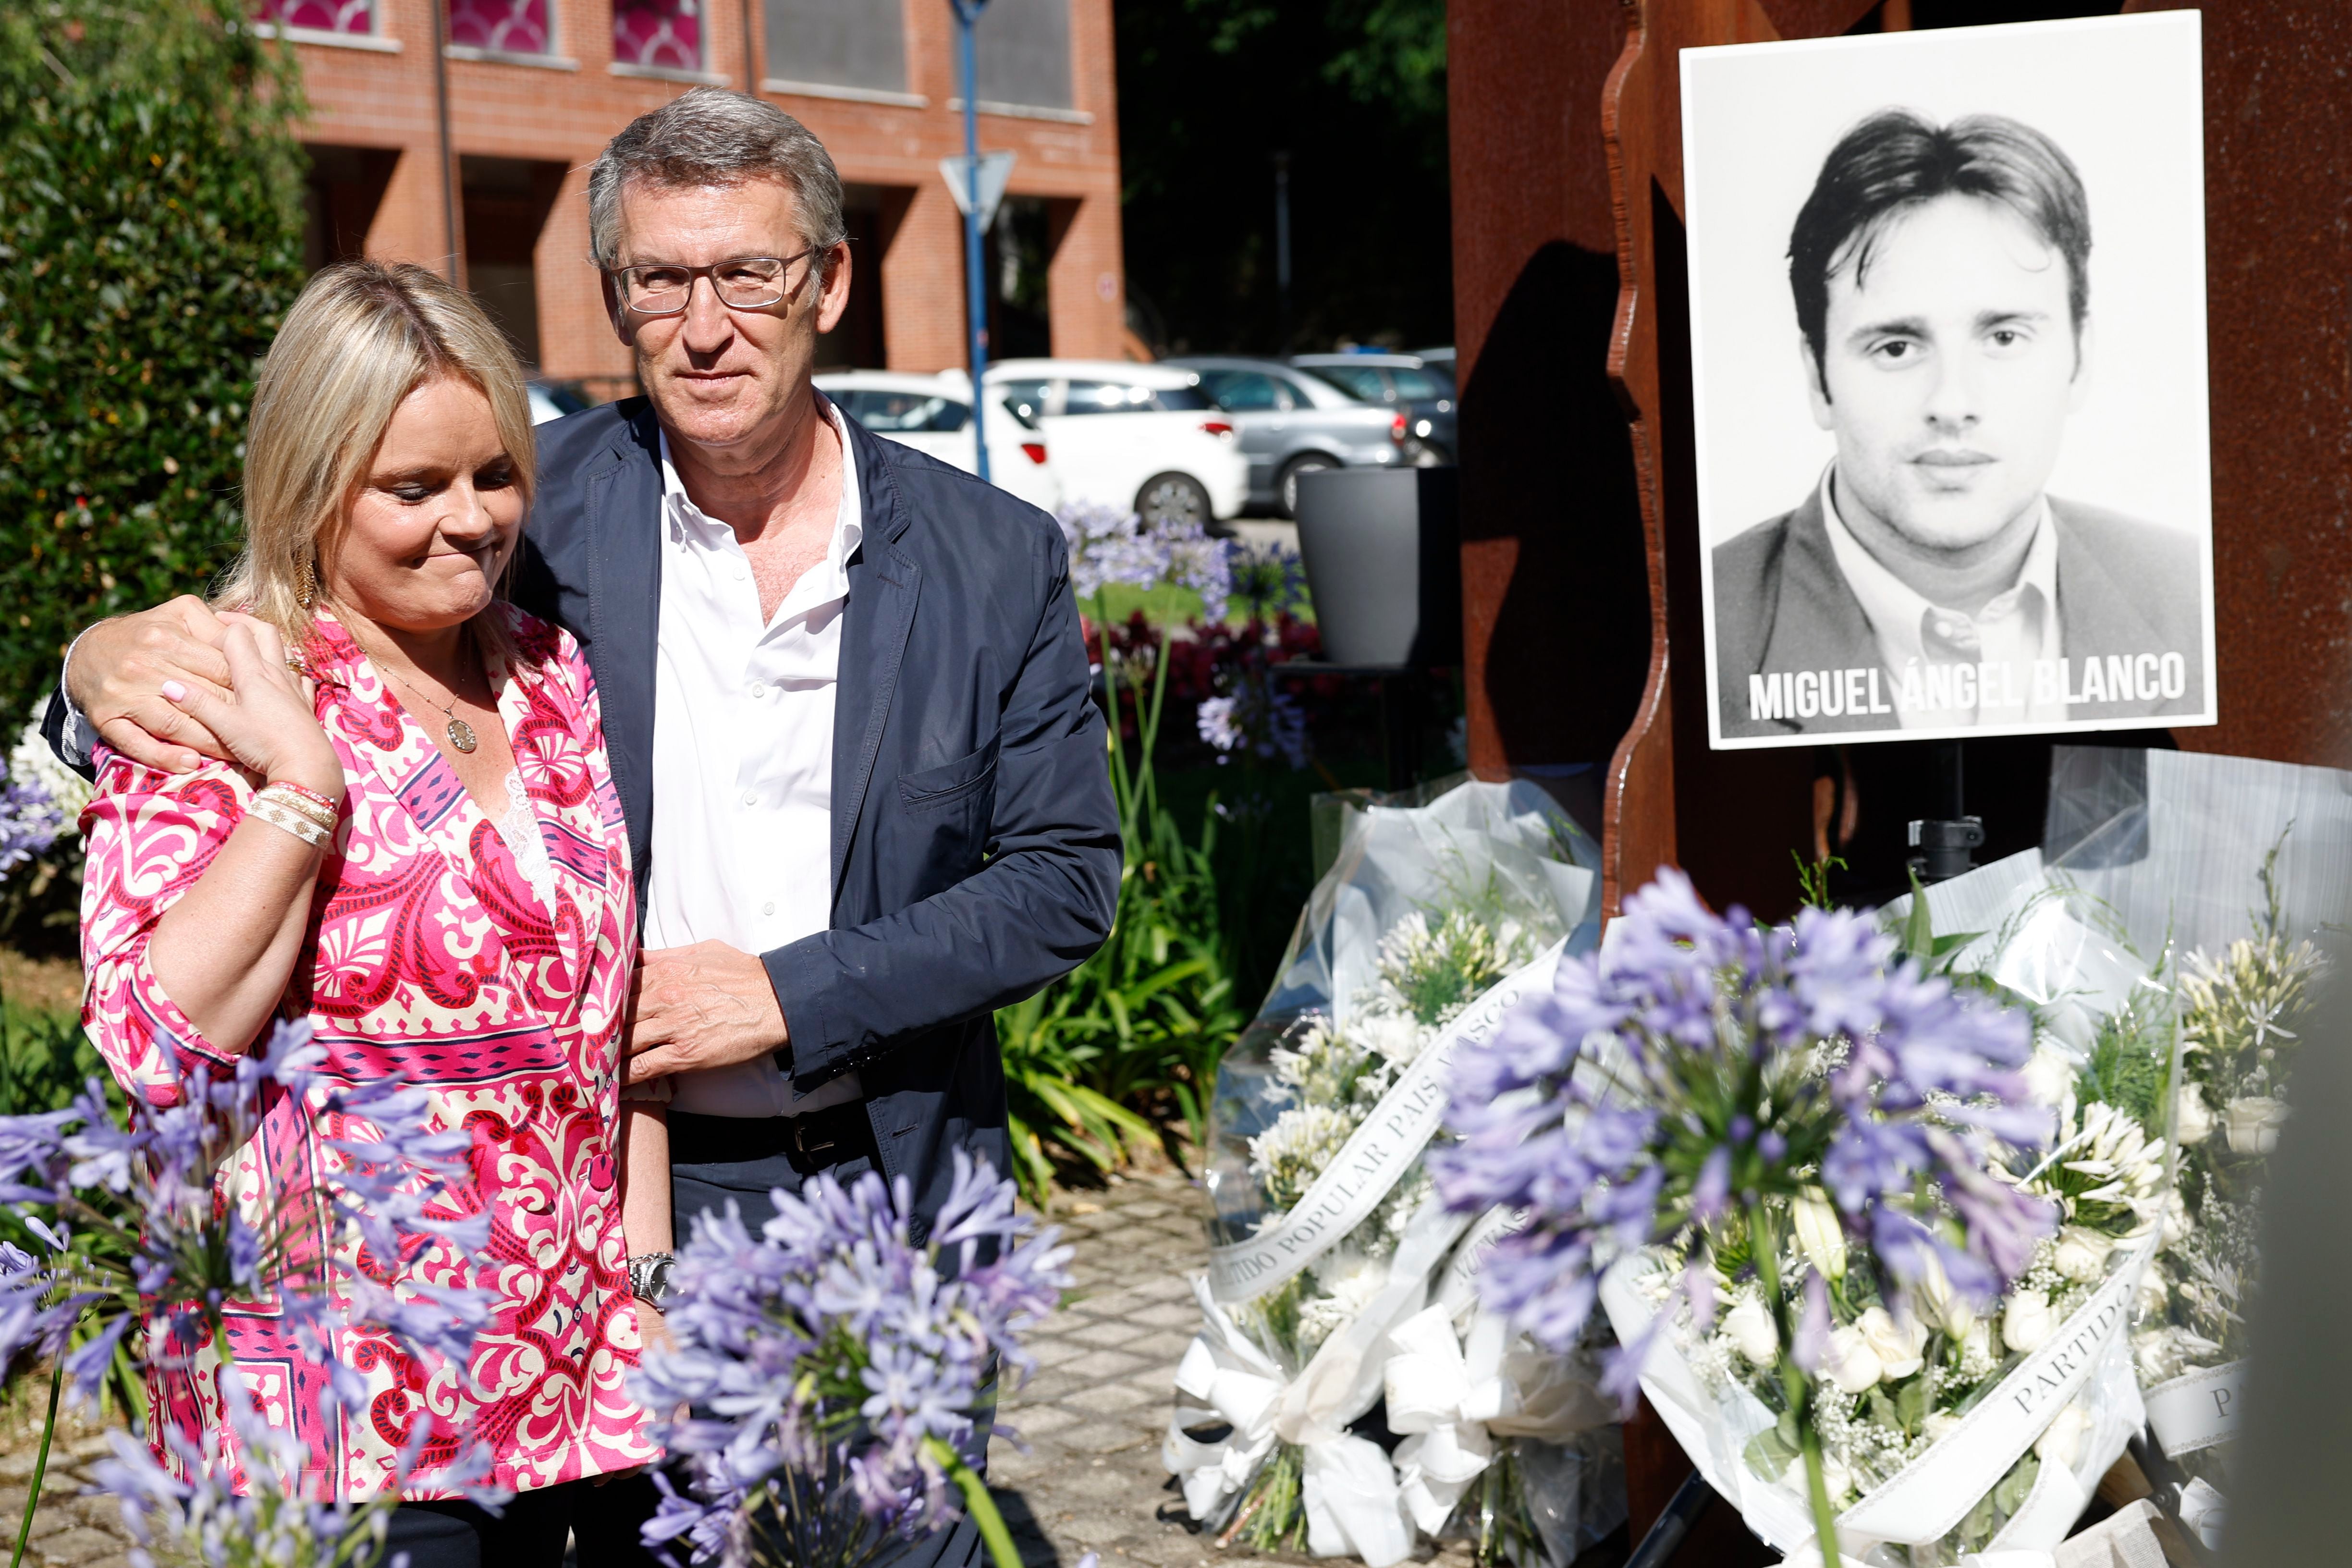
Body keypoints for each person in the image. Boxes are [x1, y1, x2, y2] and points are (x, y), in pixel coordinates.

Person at [52, 88, 1121, 1567]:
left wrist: (789, 992)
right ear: (614, 297)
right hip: (552, 1276)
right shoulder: (541, 520)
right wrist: (84, 668)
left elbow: (1066, 882)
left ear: (828, 280)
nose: (705, 326)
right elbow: (304, 589)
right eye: (659, 282)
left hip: (880, 1180)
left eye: (747, 274)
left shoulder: (991, 555)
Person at [76, 260, 665, 1566]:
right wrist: (303, 785)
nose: (471, 520)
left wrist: (647, 1275)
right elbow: (159, 1047)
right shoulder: (222, 686)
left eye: (494, 474)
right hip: (346, 1410)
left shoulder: (546, 674)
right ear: (309, 486)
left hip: (573, 1388)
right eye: (413, 488)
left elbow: (599, 1017)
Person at [1713, 109, 2206, 742]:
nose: (1952, 401)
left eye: (2003, 336)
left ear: (2079, 359)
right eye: (1896, 347)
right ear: (1818, 379)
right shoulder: (1702, 632)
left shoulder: (2195, 601)